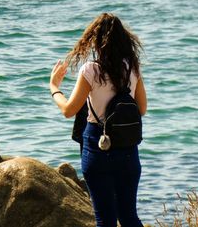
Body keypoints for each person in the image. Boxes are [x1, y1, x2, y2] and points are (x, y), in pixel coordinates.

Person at [49, 13, 147, 227]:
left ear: (95, 41)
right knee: (129, 217)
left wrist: (54, 87)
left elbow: (68, 110)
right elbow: (142, 109)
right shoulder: (132, 67)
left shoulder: (91, 70)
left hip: (97, 147)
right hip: (128, 149)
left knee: (105, 220)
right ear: (124, 39)